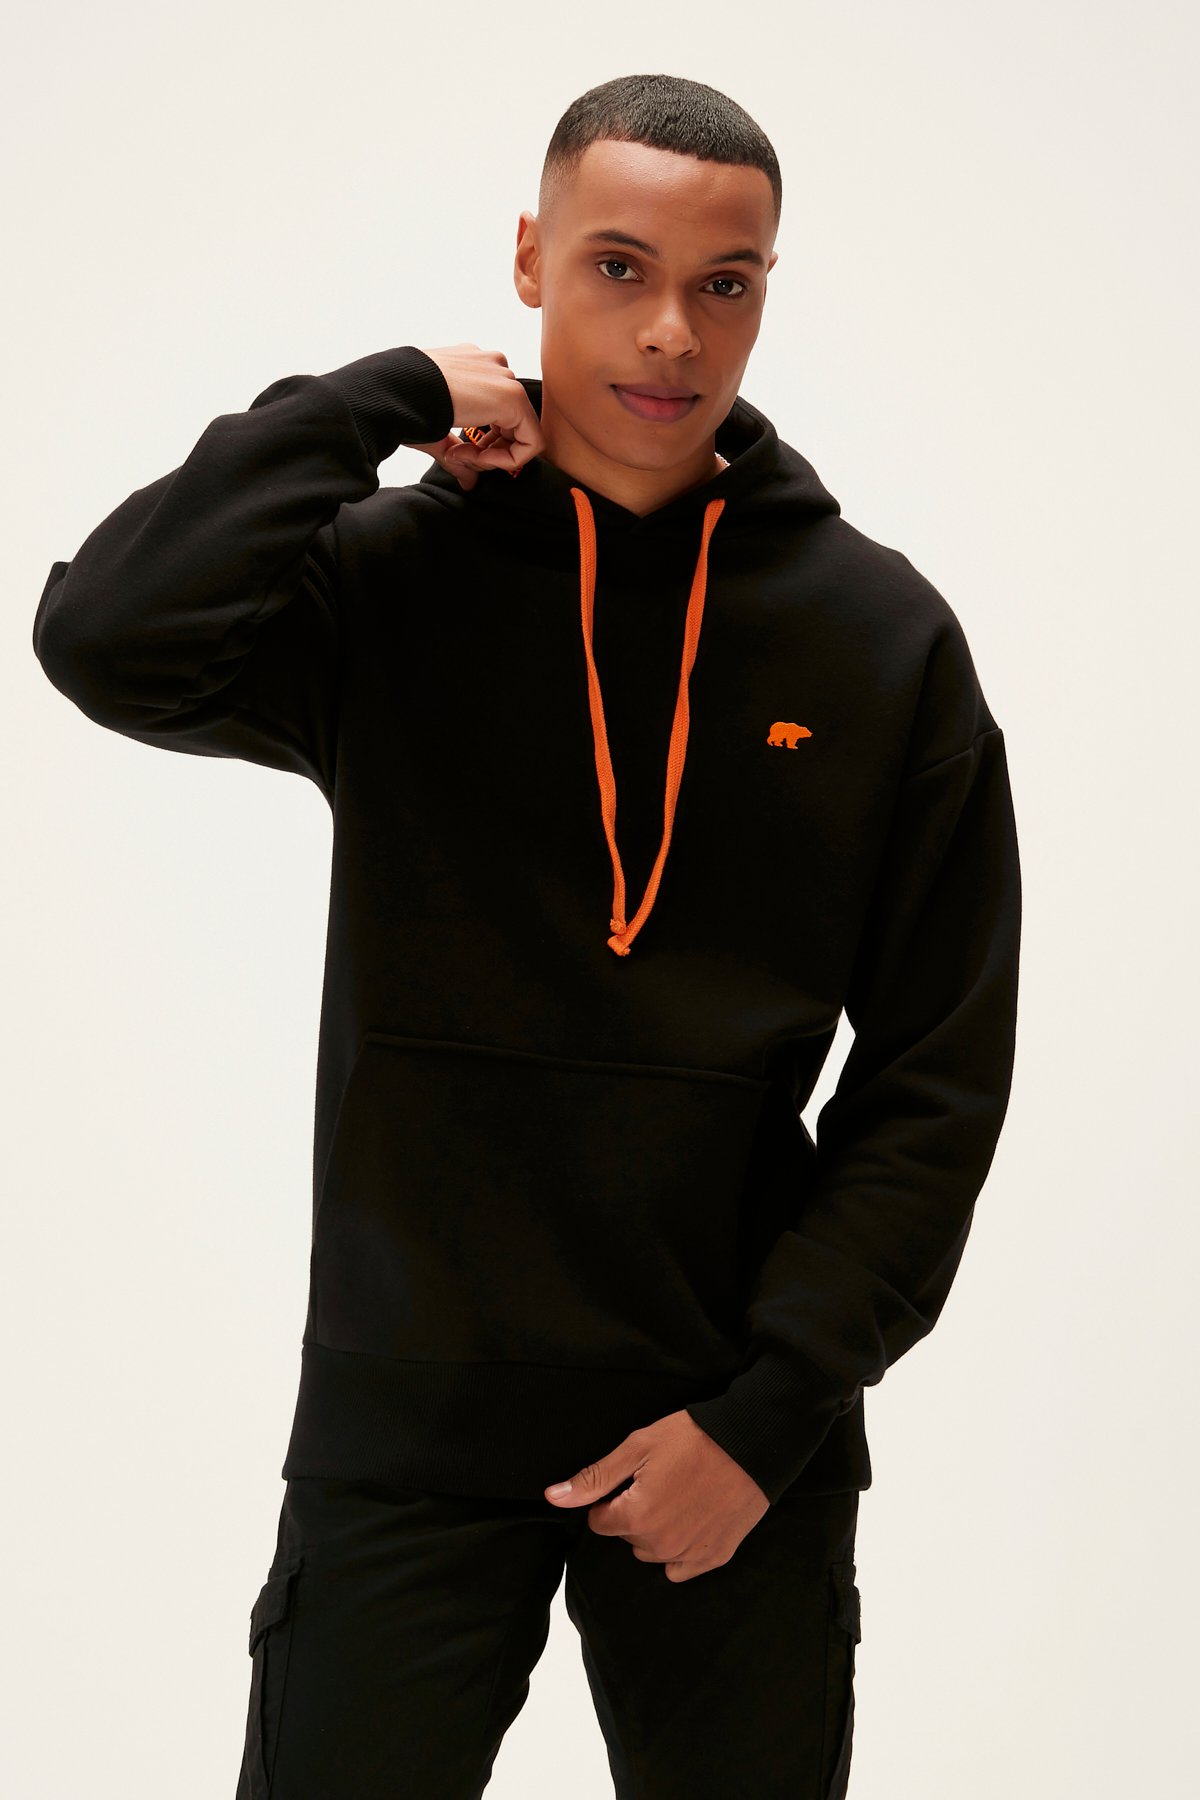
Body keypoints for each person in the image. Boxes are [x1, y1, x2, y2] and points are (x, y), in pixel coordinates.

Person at [31, 70, 1021, 1800]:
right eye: (618, 267)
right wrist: (382, 399)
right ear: (529, 262)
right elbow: (108, 638)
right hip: (408, 1422)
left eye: (725, 283)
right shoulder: (391, 577)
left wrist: (768, 1418)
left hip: (728, 1441)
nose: (672, 332)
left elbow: (937, 1076)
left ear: (767, 292)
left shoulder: (879, 638)